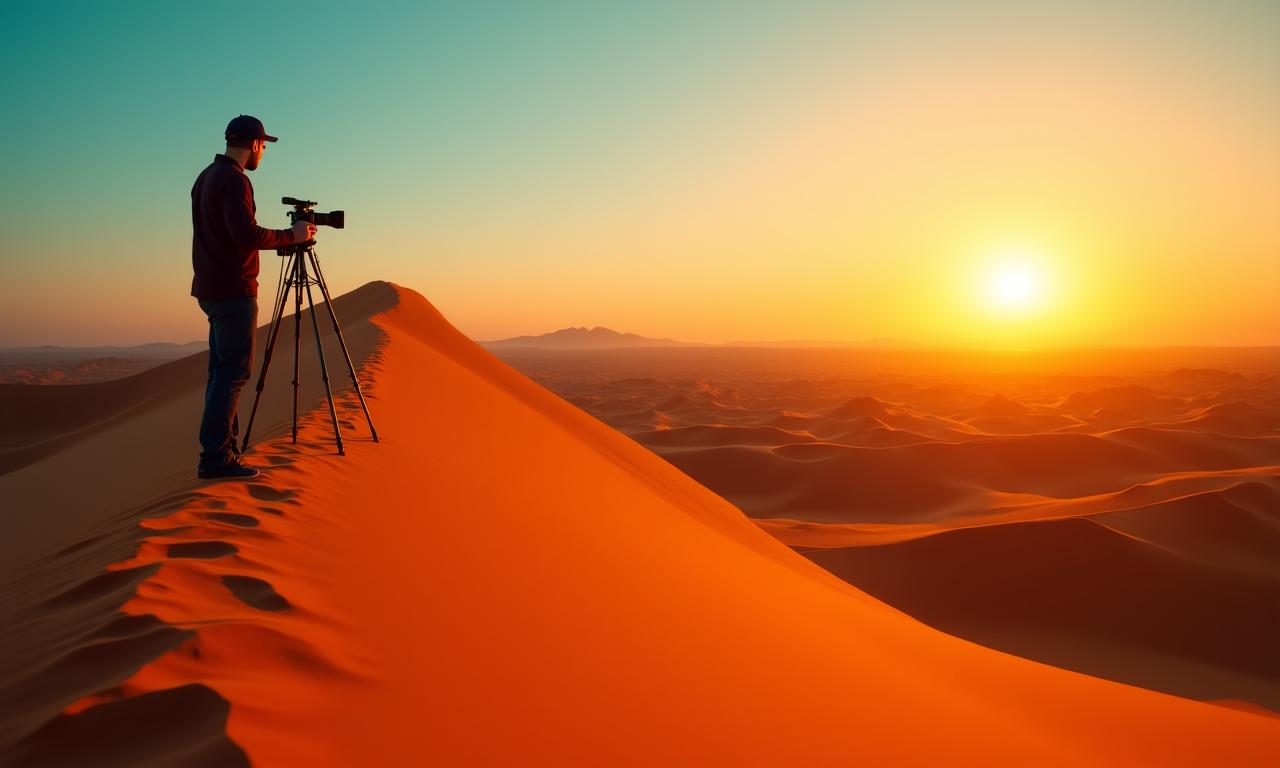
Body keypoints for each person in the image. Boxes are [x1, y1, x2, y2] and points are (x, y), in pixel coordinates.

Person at [191, 114, 315, 480]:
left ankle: (222, 449)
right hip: (233, 289)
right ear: (255, 144)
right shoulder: (233, 179)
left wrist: (284, 239)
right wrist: (291, 236)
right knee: (233, 373)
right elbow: (245, 233)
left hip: (211, 286)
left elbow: (231, 235)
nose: (264, 152)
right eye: (264, 146)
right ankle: (216, 458)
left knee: (221, 373)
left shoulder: (205, 177)